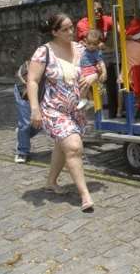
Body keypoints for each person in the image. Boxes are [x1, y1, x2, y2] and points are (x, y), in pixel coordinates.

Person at [27, 13, 96, 212]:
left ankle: (50, 182)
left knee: (62, 144)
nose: (71, 32)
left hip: (76, 109)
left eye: (71, 27)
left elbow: (98, 69)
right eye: (65, 29)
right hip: (53, 110)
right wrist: (35, 110)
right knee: (73, 147)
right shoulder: (44, 52)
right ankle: (85, 195)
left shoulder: (81, 49)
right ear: (54, 32)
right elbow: (32, 81)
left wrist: (93, 77)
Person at [13, 60, 41, 163]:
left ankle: (22, 136)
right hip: (24, 90)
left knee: (43, 122)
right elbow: (28, 86)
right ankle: (22, 152)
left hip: (42, 91)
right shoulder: (30, 68)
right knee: (26, 123)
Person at [77, 29, 107, 110]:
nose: (91, 46)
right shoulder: (84, 48)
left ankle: (82, 99)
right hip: (83, 69)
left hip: (89, 70)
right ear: (86, 42)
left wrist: (104, 72)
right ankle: (90, 100)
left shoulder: (95, 53)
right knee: (84, 86)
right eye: (89, 44)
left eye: (94, 44)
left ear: (97, 44)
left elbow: (101, 62)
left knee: (84, 86)